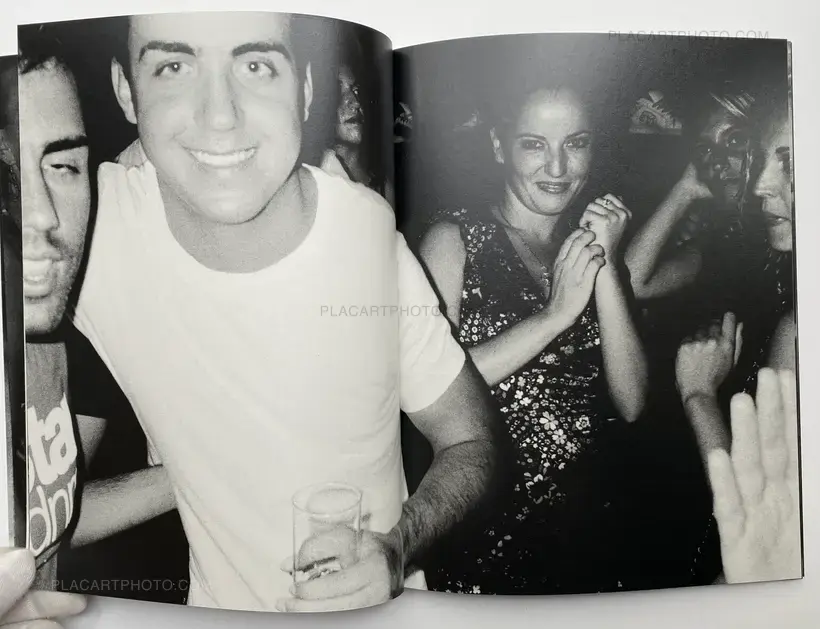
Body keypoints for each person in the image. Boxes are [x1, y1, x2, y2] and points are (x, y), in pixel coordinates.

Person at [49, 11, 501, 612]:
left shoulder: (364, 236)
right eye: (174, 67)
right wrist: (189, 472)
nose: (220, 115)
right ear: (126, 90)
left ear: (305, 89)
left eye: (257, 66)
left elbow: (471, 439)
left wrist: (396, 548)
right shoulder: (80, 223)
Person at [418, 77, 648, 594]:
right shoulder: (454, 239)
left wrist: (606, 261)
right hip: (485, 536)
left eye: (576, 143)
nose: (558, 168)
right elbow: (428, 389)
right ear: (500, 146)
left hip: (589, 538)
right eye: (534, 145)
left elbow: (632, 402)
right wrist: (553, 316)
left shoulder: (585, 246)